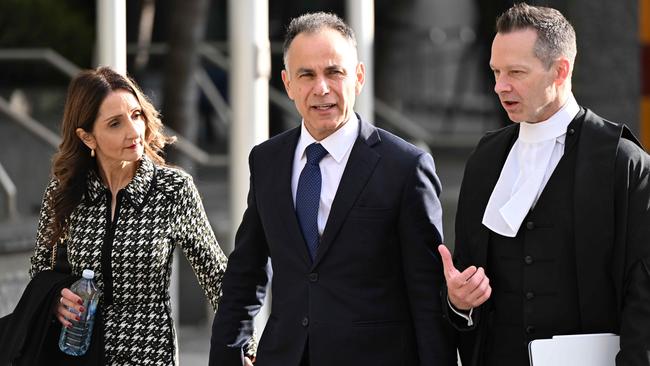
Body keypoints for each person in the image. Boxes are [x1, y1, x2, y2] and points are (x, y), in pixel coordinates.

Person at [209, 12, 456, 366]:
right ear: (288, 83)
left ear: (357, 77)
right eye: (306, 75)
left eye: (333, 72)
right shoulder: (267, 161)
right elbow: (246, 272)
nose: (321, 88)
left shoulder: (405, 167)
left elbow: (428, 297)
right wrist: (228, 355)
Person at [438, 3, 650, 366]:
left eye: (516, 72)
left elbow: (643, 296)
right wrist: (459, 301)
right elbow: (464, 284)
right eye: (496, 71)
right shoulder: (486, 160)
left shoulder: (623, 162)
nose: (500, 86)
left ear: (560, 70)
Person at [28, 67, 229, 365]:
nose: (134, 131)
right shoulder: (64, 192)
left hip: (148, 355)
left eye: (136, 115)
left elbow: (217, 275)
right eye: (115, 123)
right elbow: (39, 270)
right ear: (87, 137)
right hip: (77, 353)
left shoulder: (172, 190)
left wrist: (244, 343)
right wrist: (56, 301)